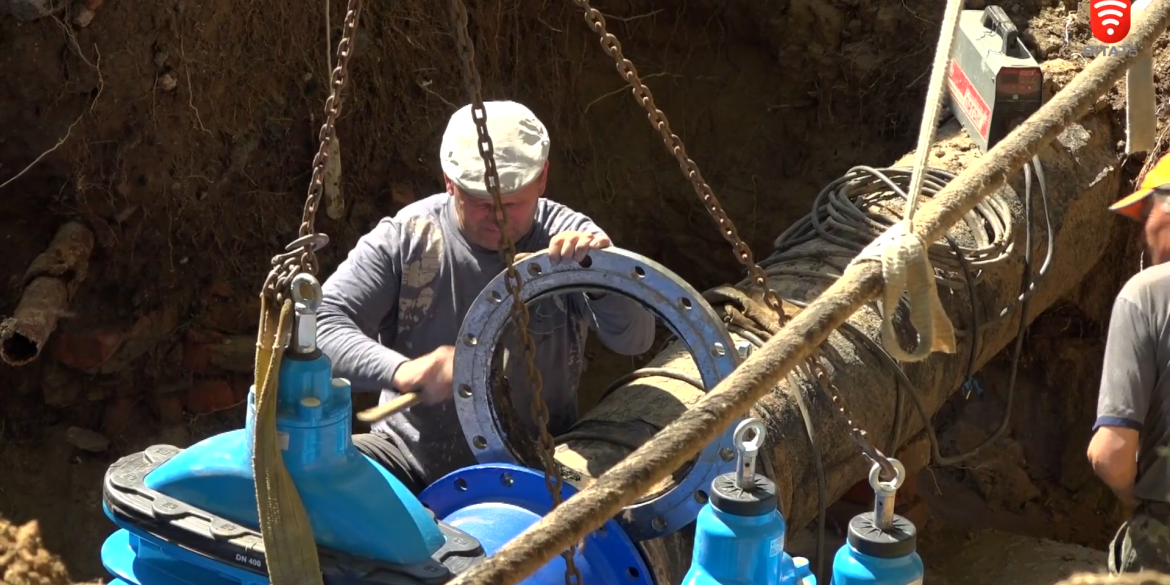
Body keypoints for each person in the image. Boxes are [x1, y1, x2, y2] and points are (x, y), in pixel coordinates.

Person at [316, 99, 657, 495]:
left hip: (534, 466)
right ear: (449, 182)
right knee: (321, 481)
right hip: (408, 460)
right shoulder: (408, 239)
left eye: (513, 204)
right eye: (479, 203)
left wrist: (598, 277)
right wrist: (405, 371)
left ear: (542, 178)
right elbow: (321, 325)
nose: (497, 217)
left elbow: (637, 340)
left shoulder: (570, 239)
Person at [1089, 152, 1170, 574]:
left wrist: (1136, 499)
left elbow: (1111, 455)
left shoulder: (1148, 294)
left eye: (1146, 217)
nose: (1143, 237)